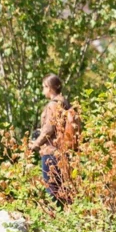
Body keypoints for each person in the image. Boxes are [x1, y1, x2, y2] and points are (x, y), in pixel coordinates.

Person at [29, 74, 73, 202]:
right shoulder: (64, 102)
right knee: (64, 188)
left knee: (52, 189)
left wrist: (35, 144)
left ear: (49, 88)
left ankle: (54, 219)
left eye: (44, 87)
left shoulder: (53, 104)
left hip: (51, 152)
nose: (43, 90)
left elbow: (49, 129)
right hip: (62, 151)